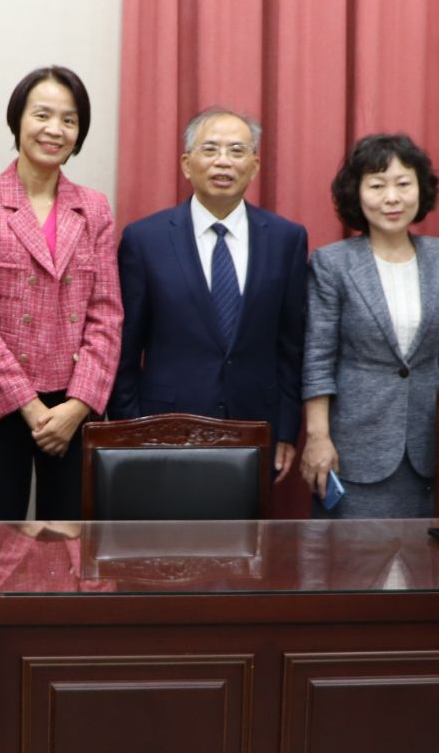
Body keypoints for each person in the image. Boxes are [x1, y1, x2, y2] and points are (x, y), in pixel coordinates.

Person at [0, 66, 122, 521]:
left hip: (74, 403)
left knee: (70, 543)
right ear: (17, 120)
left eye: (69, 120)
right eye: (42, 115)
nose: (54, 129)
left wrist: (77, 407)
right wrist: (29, 407)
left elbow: (106, 315)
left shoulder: (94, 208)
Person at [110, 106, 309, 479]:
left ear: (254, 165)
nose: (223, 161)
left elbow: (291, 346)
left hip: (255, 426)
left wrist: (285, 429)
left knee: (247, 521)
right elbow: (124, 349)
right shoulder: (144, 240)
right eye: (211, 149)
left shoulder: (287, 239)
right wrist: (130, 429)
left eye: (237, 151)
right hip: (163, 429)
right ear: (187, 164)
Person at [300, 134, 439, 518]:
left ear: (420, 189)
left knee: (425, 553)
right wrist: (318, 437)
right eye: (377, 186)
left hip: (430, 446)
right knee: (352, 553)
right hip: (354, 448)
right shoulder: (333, 263)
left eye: (403, 184)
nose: (392, 198)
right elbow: (317, 358)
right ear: (357, 193)